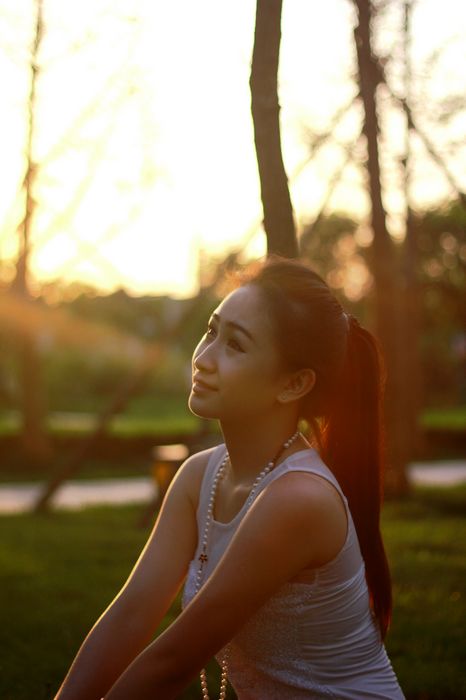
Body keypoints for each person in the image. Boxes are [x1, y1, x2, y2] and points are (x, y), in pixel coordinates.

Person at [55, 257, 405, 699]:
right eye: (211, 331)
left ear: (293, 384)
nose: (203, 359)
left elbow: (175, 660)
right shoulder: (198, 476)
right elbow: (131, 613)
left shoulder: (299, 499)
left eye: (235, 345)